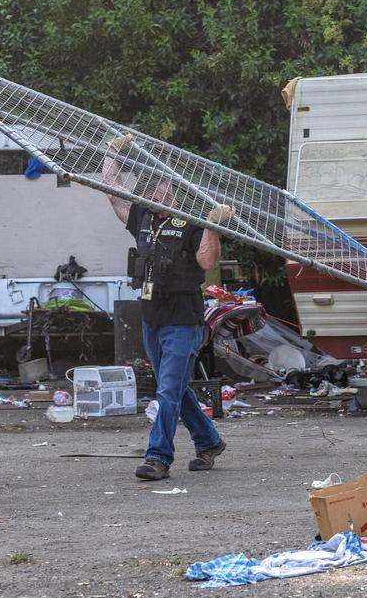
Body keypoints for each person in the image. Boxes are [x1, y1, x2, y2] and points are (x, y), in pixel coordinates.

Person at [102, 133, 233, 480]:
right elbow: (112, 191)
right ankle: (209, 441)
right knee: (173, 388)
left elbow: (206, 260)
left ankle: (158, 456)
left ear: (171, 187)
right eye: (148, 187)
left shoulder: (190, 222)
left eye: (158, 186)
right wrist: (112, 151)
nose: (152, 192)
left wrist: (212, 226)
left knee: (167, 390)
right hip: (152, 318)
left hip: (183, 320)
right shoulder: (143, 217)